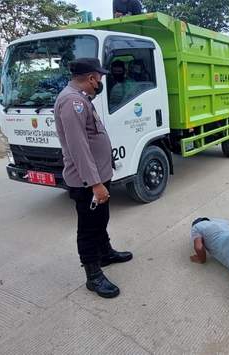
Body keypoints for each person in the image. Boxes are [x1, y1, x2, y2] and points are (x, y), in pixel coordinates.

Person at [54, 58, 133, 298]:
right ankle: (93, 276)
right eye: (99, 78)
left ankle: (105, 253)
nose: (100, 82)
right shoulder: (72, 102)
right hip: (88, 181)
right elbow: (78, 148)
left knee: (101, 219)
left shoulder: (81, 99)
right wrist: (96, 184)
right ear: (91, 78)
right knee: (88, 227)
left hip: (98, 175)